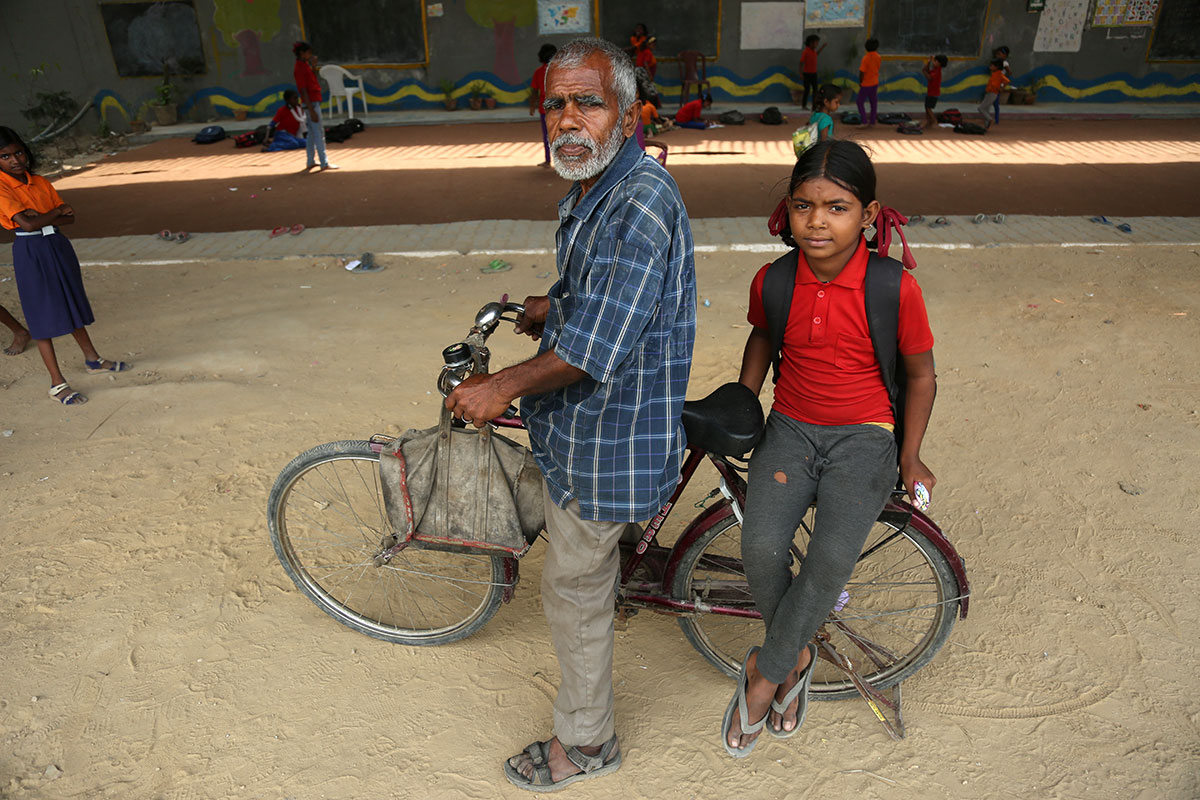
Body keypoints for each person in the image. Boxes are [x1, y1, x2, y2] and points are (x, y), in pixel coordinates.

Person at [444, 37, 696, 792]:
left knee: (576, 593)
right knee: (575, 559)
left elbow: (593, 352)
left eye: (587, 101)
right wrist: (553, 303)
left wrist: (502, 387)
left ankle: (587, 744)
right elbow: (611, 292)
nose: (567, 118)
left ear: (625, 112)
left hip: (609, 430)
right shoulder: (596, 188)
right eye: (555, 103)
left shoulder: (640, 199)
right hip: (587, 422)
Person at [721, 139, 936, 756]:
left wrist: (910, 452)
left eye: (837, 207)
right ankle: (801, 655)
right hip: (790, 427)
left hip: (865, 439)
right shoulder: (775, 279)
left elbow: (920, 375)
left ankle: (767, 673)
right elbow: (763, 338)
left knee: (826, 564)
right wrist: (745, 395)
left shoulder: (894, 288)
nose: (817, 221)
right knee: (759, 548)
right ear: (787, 212)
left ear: (869, 215)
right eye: (803, 206)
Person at [0, 126, 131, 405]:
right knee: (40, 314)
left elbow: (69, 219)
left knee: (70, 303)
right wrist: (55, 212)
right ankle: (57, 383)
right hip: (30, 250)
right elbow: (28, 224)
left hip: (57, 245)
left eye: (18, 152)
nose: (15, 160)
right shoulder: (1, 187)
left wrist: (48, 216)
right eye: (5, 156)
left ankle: (92, 359)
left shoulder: (39, 182)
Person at [292, 41, 337, 171]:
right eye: (308, 52)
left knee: (312, 133)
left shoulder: (304, 65)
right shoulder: (299, 68)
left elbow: (312, 79)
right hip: (310, 102)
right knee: (318, 132)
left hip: (311, 101)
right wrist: (311, 110)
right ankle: (324, 162)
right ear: (302, 53)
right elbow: (303, 89)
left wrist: (313, 66)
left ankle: (310, 160)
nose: (310, 55)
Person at [529, 43, 558, 167]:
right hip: (559, 107)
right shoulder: (559, 70)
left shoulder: (538, 72)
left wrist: (532, 106)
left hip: (544, 109)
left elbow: (534, 91)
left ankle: (548, 160)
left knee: (547, 135)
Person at [979, 58, 1010, 130]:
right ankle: (986, 125)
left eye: (992, 66)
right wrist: (1002, 87)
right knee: (986, 108)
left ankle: (989, 119)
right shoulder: (996, 74)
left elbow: (1006, 81)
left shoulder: (998, 74)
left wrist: (1001, 88)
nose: (990, 67)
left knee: (981, 108)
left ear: (996, 67)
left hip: (992, 93)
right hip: (990, 93)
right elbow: (1006, 81)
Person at [857, 38, 881, 127]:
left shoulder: (866, 58)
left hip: (866, 84)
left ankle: (864, 121)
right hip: (874, 82)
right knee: (873, 102)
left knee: (859, 102)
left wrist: (860, 81)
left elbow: (862, 72)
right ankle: (872, 121)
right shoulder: (878, 57)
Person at [799, 34, 826, 110]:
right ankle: (804, 105)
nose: (816, 44)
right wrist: (801, 74)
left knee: (815, 90)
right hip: (807, 74)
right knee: (807, 90)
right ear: (810, 43)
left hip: (814, 74)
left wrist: (822, 47)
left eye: (817, 43)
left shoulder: (813, 51)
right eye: (815, 43)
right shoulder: (806, 52)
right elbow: (801, 63)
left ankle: (814, 105)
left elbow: (816, 54)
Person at [922, 54, 948, 129]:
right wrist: (928, 63)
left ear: (939, 63)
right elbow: (927, 71)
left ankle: (933, 120)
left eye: (935, 61)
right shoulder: (935, 70)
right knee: (927, 107)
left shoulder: (937, 71)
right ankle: (928, 121)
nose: (934, 62)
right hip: (931, 92)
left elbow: (929, 77)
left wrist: (924, 72)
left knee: (928, 108)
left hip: (933, 93)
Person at [992, 46, 1011, 125]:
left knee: (995, 102)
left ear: (1005, 55)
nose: (997, 56)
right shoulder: (996, 62)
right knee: (993, 101)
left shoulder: (1004, 63)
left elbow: (1009, 72)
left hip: (999, 84)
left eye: (999, 54)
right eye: (997, 54)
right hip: (994, 83)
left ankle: (996, 119)